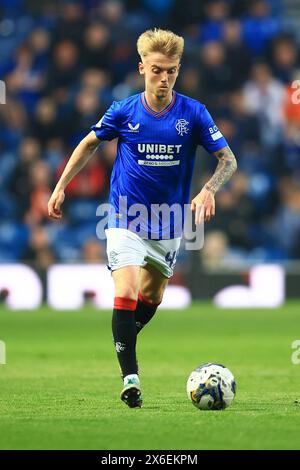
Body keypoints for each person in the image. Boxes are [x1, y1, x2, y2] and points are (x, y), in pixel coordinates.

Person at [48, 28, 237, 408]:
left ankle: (122, 339)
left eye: (171, 71)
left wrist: (209, 188)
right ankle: (130, 378)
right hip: (125, 216)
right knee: (127, 290)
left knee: (152, 297)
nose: (163, 78)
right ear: (141, 68)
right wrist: (61, 185)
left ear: (178, 70)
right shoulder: (124, 110)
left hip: (169, 223)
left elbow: (229, 159)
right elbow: (89, 143)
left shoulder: (194, 113)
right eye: (156, 70)